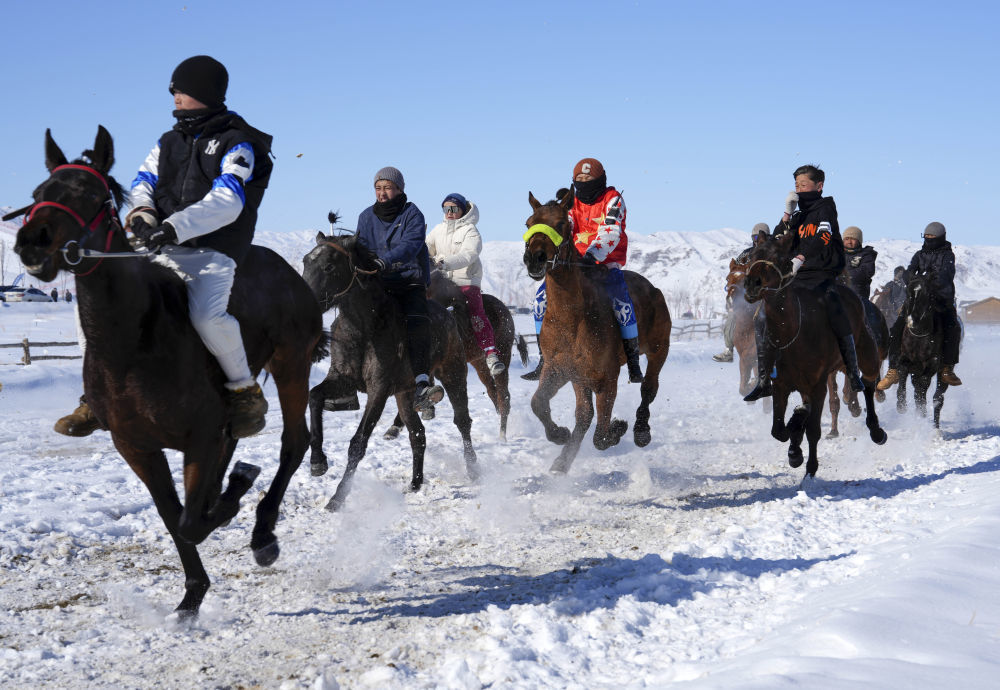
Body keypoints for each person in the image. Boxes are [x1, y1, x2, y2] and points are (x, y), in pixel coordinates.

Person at [55, 55, 274, 439]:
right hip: (159, 248)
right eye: (173, 88)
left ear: (205, 92)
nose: (174, 94)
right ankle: (95, 395)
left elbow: (229, 200)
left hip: (212, 253)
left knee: (208, 318)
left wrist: (173, 226)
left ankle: (244, 391)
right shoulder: (167, 141)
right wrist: (143, 213)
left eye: (182, 88)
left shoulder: (239, 144)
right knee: (95, 303)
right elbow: (143, 181)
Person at [744, 164, 865, 401]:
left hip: (821, 275)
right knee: (761, 317)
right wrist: (787, 213)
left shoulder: (826, 209)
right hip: (795, 277)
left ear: (818, 186)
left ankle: (852, 370)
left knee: (836, 310)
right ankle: (763, 379)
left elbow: (824, 236)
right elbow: (777, 240)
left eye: (803, 184)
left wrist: (801, 257)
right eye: (796, 185)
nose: (799, 189)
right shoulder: (797, 217)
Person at [522, 158, 642, 383]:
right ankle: (543, 359)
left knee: (621, 302)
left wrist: (593, 255)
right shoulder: (571, 204)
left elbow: (611, 231)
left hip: (605, 262)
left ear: (600, 179)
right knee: (540, 301)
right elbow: (561, 228)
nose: (584, 182)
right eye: (579, 179)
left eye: (589, 178)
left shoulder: (613, 199)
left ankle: (633, 360)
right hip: (573, 264)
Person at [355, 166, 444, 411]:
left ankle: (422, 384)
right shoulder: (365, 216)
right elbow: (360, 247)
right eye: (378, 188)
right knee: (350, 318)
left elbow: (412, 244)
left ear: (399, 189)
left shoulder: (412, 214)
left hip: (408, 280)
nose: (382, 193)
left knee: (417, 321)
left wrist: (387, 260)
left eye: (387, 188)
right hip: (378, 282)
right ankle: (344, 380)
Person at [426, 193, 504, 377]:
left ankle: (490, 352)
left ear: (462, 210)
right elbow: (425, 248)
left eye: (454, 209)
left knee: (476, 311)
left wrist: (445, 263)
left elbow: (469, 254)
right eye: (446, 209)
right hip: (440, 281)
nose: (449, 212)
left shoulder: (470, 231)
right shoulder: (437, 230)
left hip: (465, 280)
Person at [877, 222, 962, 389]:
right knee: (895, 329)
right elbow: (909, 272)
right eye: (927, 237)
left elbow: (946, 275)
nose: (929, 240)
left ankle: (947, 368)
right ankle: (893, 370)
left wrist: (930, 283)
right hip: (917, 299)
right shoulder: (918, 254)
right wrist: (915, 281)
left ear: (940, 238)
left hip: (941, 301)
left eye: (932, 238)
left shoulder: (948, 256)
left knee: (953, 328)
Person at [713, 223, 769, 362]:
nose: (756, 240)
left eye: (759, 236)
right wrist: (732, 286)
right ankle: (728, 350)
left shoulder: (770, 251)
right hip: (746, 294)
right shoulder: (746, 253)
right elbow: (735, 270)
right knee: (733, 314)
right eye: (754, 236)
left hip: (765, 293)